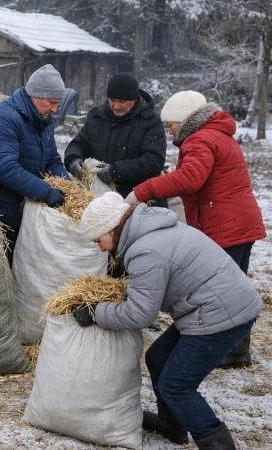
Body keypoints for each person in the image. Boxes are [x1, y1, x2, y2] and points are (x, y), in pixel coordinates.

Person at [73, 192, 261, 450]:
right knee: (158, 358)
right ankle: (172, 424)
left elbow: (140, 314)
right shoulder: (150, 230)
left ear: (113, 228)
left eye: (99, 240)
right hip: (211, 306)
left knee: (177, 386)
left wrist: (96, 312)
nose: (100, 248)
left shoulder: (145, 251)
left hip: (222, 314)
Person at [126, 90, 266, 368]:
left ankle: (228, 350)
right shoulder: (216, 135)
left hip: (225, 224)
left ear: (187, 120)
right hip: (238, 221)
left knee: (225, 291)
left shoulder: (200, 139)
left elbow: (191, 178)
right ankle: (237, 349)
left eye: (171, 123)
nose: (168, 129)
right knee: (235, 285)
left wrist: (144, 190)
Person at [0, 64, 70, 262]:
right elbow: (6, 168)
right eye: (51, 102)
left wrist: (68, 186)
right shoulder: (5, 119)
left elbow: (52, 159)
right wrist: (46, 192)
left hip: (15, 205)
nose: (54, 109)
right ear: (35, 96)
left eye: (57, 103)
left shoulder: (43, 121)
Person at [64, 73, 166, 203]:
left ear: (134, 100)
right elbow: (78, 144)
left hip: (137, 198)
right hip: (99, 198)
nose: (116, 106)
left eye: (122, 102)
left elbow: (154, 161)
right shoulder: (97, 117)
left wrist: (116, 171)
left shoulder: (150, 121)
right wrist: (73, 159)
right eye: (113, 101)